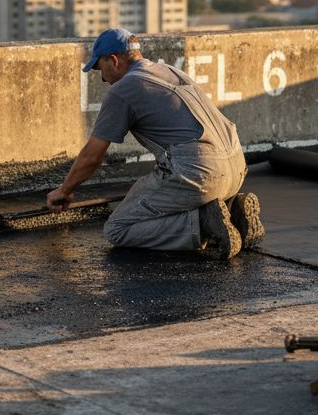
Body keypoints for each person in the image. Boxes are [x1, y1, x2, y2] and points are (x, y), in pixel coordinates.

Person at [46, 28, 262, 259]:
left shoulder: (123, 90)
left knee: (117, 229)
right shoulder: (169, 70)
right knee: (149, 192)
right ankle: (230, 209)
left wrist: (64, 190)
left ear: (114, 60)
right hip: (237, 168)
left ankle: (202, 223)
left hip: (199, 176)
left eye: (100, 68)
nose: (102, 78)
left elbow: (92, 156)